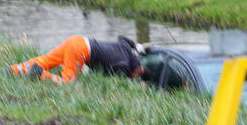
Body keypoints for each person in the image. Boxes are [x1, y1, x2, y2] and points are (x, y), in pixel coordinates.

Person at [9, 35, 145, 85]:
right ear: (134, 69)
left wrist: (136, 46)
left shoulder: (126, 48)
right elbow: (108, 78)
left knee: (47, 60)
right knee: (68, 82)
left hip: (78, 40)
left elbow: (122, 38)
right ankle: (40, 74)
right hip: (81, 51)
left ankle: (14, 70)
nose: (138, 75)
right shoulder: (123, 66)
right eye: (138, 73)